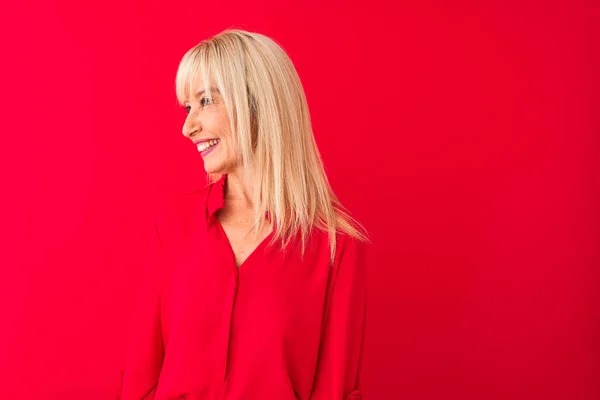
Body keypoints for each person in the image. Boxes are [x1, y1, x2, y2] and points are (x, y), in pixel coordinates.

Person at [118, 29, 369, 400]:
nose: (188, 127)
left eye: (205, 101)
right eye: (188, 107)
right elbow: (140, 379)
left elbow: (333, 391)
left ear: (257, 104)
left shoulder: (336, 246)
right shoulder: (174, 225)